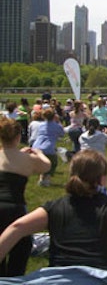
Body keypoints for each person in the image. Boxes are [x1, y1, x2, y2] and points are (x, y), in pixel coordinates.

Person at [0, 149, 107, 285]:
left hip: (54, 279)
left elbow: (17, 227)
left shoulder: (54, 207)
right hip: (101, 278)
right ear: (103, 179)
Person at [0, 117, 51, 276]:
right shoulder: (28, 159)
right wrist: (39, 152)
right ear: (18, 136)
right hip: (16, 208)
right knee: (20, 251)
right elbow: (46, 166)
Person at [32, 108, 65, 187]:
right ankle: (46, 180)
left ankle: (41, 179)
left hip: (36, 146)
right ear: (54, 116)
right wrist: (58, 122)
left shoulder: (41, 125)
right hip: (48, 147)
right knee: (53, 163)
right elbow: (62, 134)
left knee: (43, 164)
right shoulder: (56, 126)